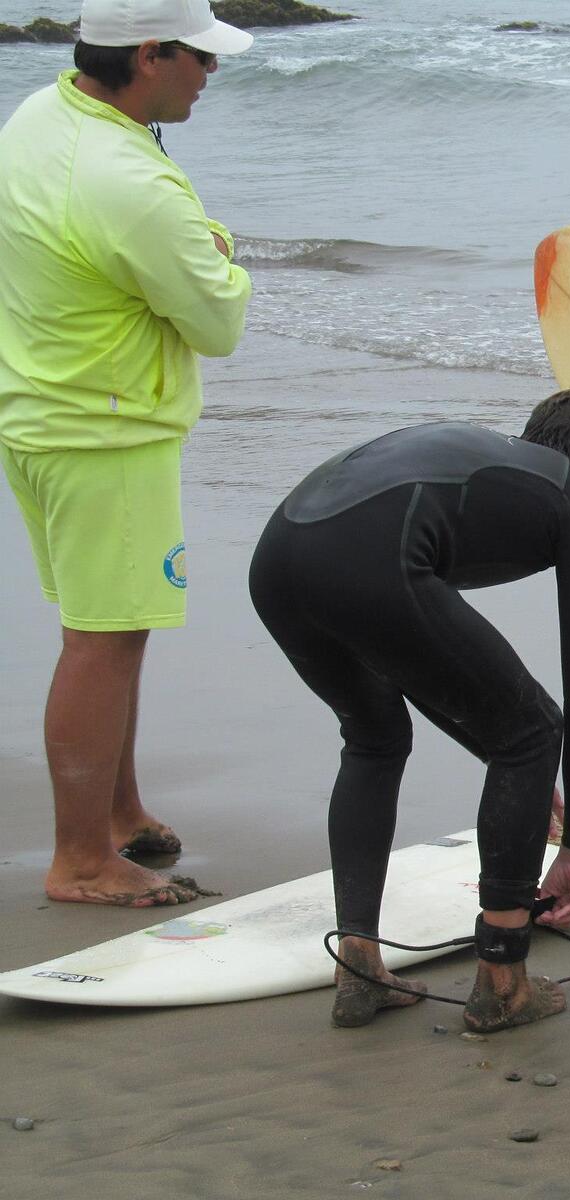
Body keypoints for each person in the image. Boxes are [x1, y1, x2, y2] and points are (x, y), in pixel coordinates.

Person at [249, 389, 570, 1032]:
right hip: (367, 554)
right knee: (535, 729)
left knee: (376, 737)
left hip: (280, 556)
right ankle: (504, 982)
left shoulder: (485, 472)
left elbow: (425, 657)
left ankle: (359, 965)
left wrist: (509, 759)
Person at [0, 0, 253, 907]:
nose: (211, 73)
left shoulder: (44, 112)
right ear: (150, 55)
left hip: (37, 405)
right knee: (102, 640)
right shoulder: (129, 181)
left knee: (107, 624)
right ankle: (78, 860)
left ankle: (119, 812)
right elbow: (218, 319)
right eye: (201, 58)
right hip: (104, 430)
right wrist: (224, 254)